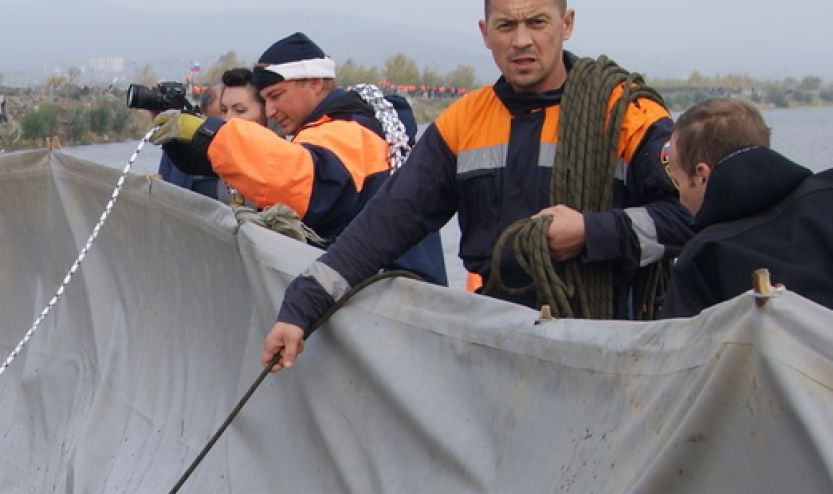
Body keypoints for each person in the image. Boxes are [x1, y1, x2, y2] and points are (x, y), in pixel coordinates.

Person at [262, 0, 692, 369]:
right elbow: (384, 225)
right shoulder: (463, 123)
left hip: (606, 349)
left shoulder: (626, 115)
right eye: (506, 25)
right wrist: (300, 309)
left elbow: (688, 219)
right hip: (497, 348)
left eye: (537, 22)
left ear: (567, 23)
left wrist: (590, 232)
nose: (521, 40)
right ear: (486, 33)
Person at [148, 33, 446, 283]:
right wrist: (188, 148)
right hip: (397, 291)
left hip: (388, 300)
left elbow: (295, 181)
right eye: (265, 100)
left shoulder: (344, 134)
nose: (271, 110)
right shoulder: (357, 124)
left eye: (277, 95)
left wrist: (209, 133)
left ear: (315, 82)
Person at [660, 99, 833, 317]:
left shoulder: (702, 259)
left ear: (702, 175)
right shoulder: (826, 196)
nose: (680, 196)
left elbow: (682, 347)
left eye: (678, 181)